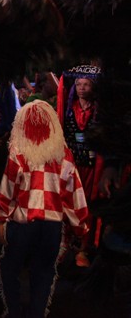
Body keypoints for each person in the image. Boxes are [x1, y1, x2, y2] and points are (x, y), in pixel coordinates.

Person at [0, 100, 89, 318]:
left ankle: (14, 311)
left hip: (23, 224)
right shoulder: (63, 154)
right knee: (44, 272)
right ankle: (36, 313)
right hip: (51, 226)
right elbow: (73, 195)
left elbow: (8, 190)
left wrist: (1, 218)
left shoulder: (19, 151)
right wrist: (80, 227)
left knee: (10, 267)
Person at [57, 64, 103, 267]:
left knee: (89, 205)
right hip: (72, 165)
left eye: (86, 84)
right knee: (68, 202)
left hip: (92, 167)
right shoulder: (69, 110)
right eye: (79, 84)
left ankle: (84, 248)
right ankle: (65, 242)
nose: (82, 88)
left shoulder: (98, 112)